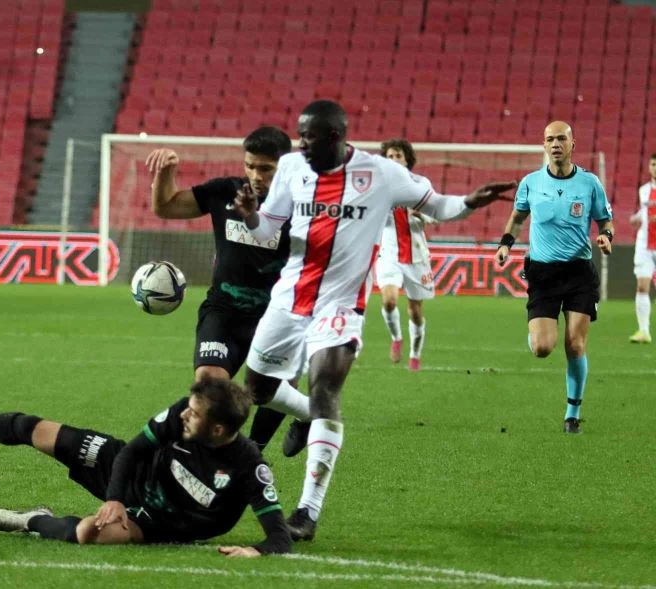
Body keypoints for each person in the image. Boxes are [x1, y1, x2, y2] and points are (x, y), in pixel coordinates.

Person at [234, 99, 516, 540]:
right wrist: (252, 214)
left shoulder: (380, 173)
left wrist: (469, 202)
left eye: (309, 137)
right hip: (289, 299)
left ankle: (307, 512)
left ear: (335, 137)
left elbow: (436, 204)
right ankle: (306, 415)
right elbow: (268, 229)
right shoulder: (290, 167)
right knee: (257, 389)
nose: (301, 143)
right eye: (300, 135)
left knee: (326, 389)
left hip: (341, 306)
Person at [0, 378, 292, 556]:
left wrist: (257, 551)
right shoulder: (182, 413)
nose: (184, 414)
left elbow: (280, 537)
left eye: (194, 414)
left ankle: (32, 520)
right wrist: (115, 498)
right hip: (132, 472)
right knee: (35, 429)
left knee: (88, 533)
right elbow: (132, 451)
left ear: (218, 429)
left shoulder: (248, 467)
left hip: (156, 523)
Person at [146, 127, 310, 450]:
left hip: (277, 315)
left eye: (266, 168)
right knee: (208, 386)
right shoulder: (225, 192)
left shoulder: (303, 207)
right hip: (224, 311)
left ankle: (260, 449)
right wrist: (166, 173)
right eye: (250, 166)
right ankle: (225, 458)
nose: (256, 175)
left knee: (271, 392)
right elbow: (166, 207)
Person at [495, 121, 613, 435]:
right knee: (542, 348)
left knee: (575, 344)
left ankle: (572, 414)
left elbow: (605, 220)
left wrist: (606, 236)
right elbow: (517, 217)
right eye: (550, 139)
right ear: (544, 145)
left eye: (561, 138)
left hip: (578, 273)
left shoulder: (590, 183)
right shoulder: (531, 183)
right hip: (543, 274)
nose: (556, 144)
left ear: (573, 144)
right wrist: (505, 244)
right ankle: (536, 336)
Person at [376, 139, 438, 371]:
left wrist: (420, 214)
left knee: (415, 311)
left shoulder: (421, 184)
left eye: (398, 156)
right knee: (389, 300)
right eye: (390, 156)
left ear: (407, 159)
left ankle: (414, 354)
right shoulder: (378, 187)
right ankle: (396, 338)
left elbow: (437, 214)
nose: (394, 160)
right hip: (389, 254)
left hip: (416, 257)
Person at [628, 153, 656, 343]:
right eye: (653, 164)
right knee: (642, 286)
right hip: (645, 245)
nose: (654, 167)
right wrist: (637, 218)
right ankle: (644, 331)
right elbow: (645, 211)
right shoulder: (644, 190)